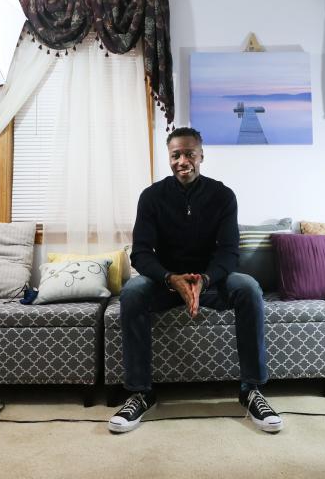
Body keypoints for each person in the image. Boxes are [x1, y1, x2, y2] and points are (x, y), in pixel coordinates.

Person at [108, 127, 282, 434]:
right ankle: (141, 392)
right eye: (176, 155)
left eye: (189, 153)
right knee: (132, 292)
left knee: (249, 288)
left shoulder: (223, 195)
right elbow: (141, 253)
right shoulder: (151, 197)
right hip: (165, 282)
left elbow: (229, 252)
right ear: (169, 158)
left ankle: (251, 389)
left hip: (210, 281)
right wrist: (169, 278)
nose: (182, 160)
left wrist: (204, 279)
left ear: (201, 156)